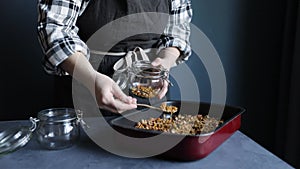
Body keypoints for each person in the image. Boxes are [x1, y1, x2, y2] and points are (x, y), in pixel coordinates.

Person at [37, 0, 192, 114]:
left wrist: (165, 62)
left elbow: (177, 29)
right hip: (87, 84)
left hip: (150, 87)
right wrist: (91, 79)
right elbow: (55, 29)